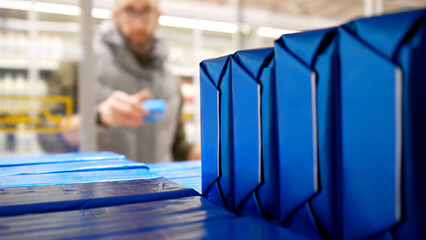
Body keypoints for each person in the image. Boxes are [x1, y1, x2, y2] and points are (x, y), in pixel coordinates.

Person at [40, 0, 201, 163]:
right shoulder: (80, 62)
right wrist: (98, 117)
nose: (138, 23)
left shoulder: (171, 79)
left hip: (161, 187)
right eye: (129, 11)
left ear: (158, 16)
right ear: (115, 15)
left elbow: (177, 148)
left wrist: (217, 150)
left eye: (146, 11)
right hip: (99, 186)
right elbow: (47, 135)